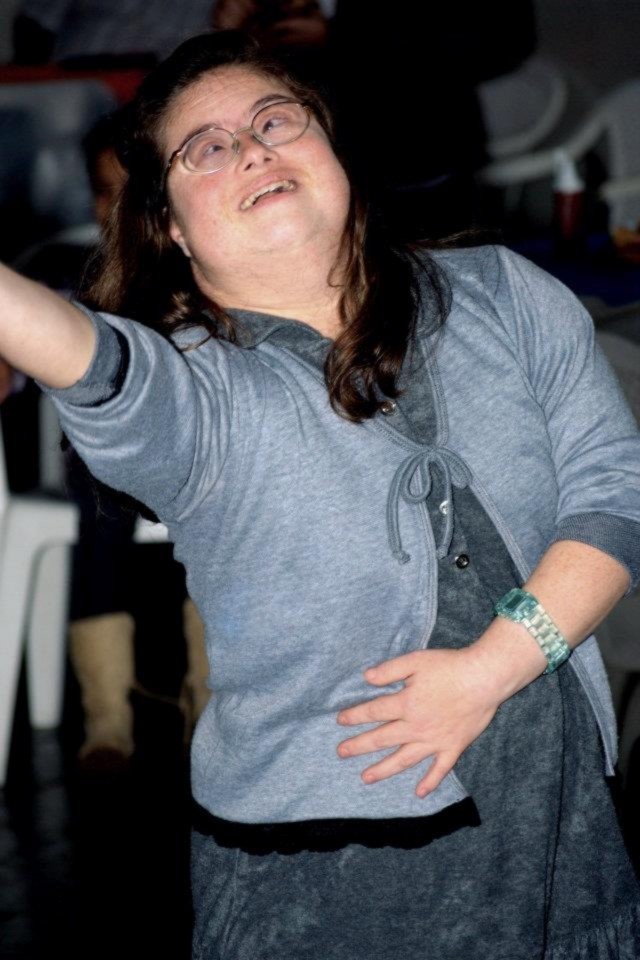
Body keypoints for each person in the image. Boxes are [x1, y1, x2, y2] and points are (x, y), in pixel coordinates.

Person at [0, 30, 639, 959]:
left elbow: (617, 488)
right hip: (333, 894)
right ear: (170, 226)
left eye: (275, 120)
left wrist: (494, 667)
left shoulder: (505, 293)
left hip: (566, 855)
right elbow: (84, 355)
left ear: (330, 144)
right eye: (205, 147)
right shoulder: (198, 397)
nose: (251, 148)